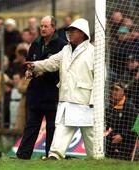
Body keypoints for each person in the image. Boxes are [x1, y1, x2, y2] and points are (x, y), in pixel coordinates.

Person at [25, 18, 95, 160]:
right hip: (66, 97)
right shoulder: (65, 49)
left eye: (72, 31)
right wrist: (35, 65)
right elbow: (51, 63)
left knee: (90, 133)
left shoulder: (93, 52)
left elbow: (100, 78)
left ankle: (96, 156)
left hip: (85, 100)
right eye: (68, 31)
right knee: (62, 127)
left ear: (82, 33)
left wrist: (94, 99)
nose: (69, 33)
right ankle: (55, 155)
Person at [16, 15, 67, 160]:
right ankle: (23, 155)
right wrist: (28, 72)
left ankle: (50, 156)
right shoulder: (35, 43)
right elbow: (28, 63)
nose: (43, 29)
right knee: (31, 125)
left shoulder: (62, 45)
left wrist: (42, 72)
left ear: (53, 27)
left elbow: (61, 69)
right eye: (41, 26)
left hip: (52, 92)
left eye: (46, 26)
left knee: (52, 127)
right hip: (36, 92)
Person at [105, 82, 138, 160]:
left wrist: (122, 135)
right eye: (112, 89)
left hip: (126, 140)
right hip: (112, 139)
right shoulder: (109, 107)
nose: (114, 92)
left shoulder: (129, 107)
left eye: (117, 90)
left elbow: (133, 126)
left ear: (123, 92)